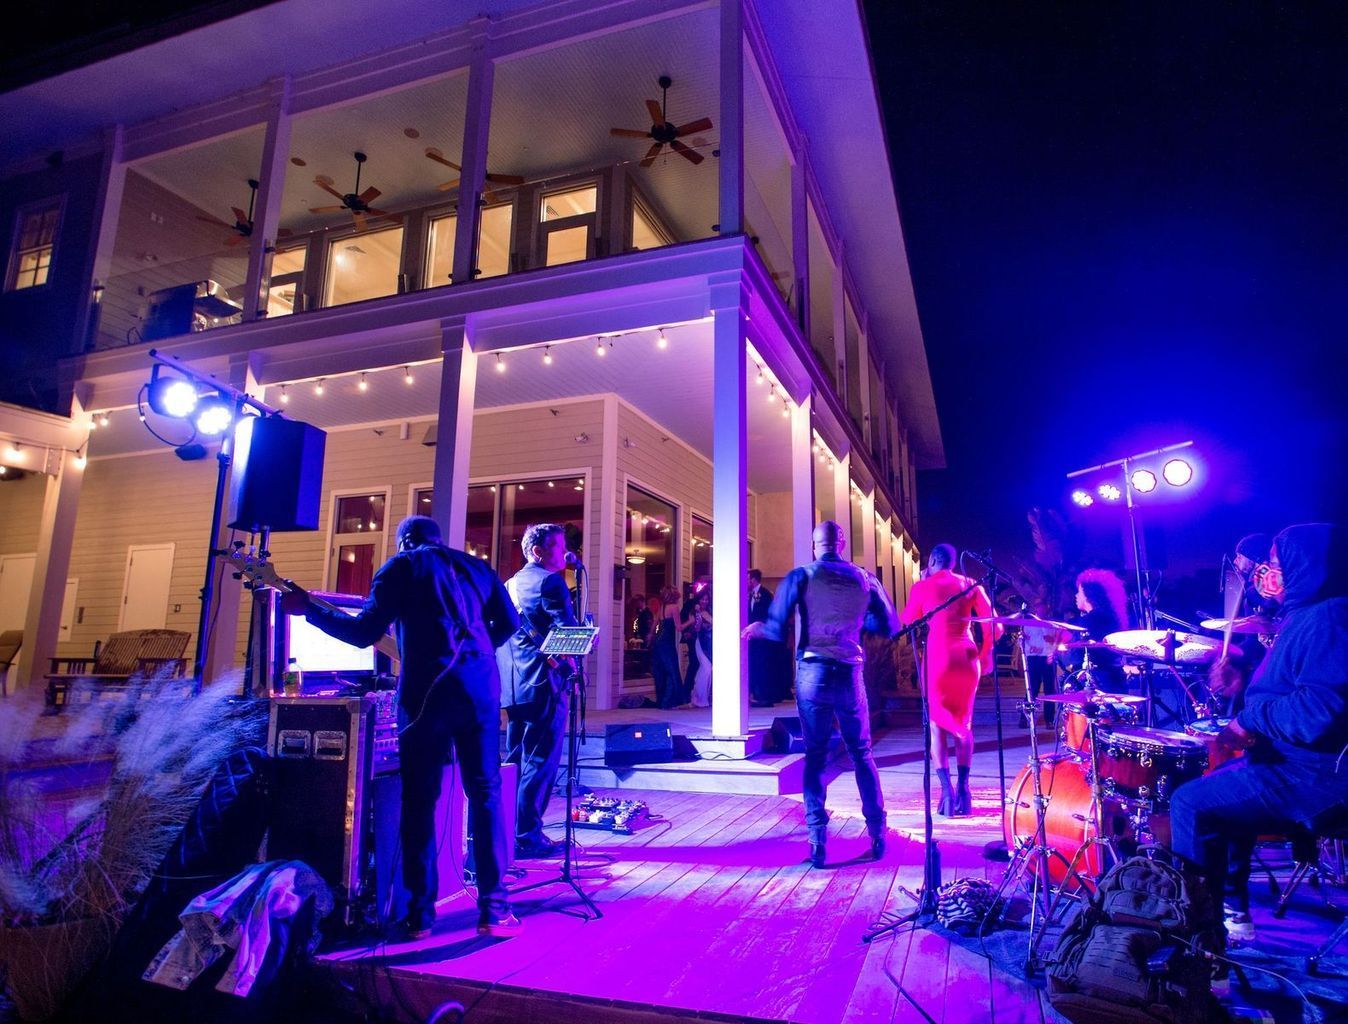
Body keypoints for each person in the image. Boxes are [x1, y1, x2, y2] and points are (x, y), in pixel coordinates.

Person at [281, 515, 521, 939]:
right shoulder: (477, 566)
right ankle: (495, 913)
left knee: (420, 802)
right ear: (439, 538)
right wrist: (476, 650)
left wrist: (310, 612)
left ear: (405, 542)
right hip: (481, 690)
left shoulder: (401, 566)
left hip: (426, 695)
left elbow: (362, 633)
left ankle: (419, 918)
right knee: (485, 796)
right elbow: (510, 623)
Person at [1169, 523, 1348, 948]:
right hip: (1294, 762)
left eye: (1276, 565)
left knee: (1189, 802)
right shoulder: (1307, 615)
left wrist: (1250, 720)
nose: (1268, 574)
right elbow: (1297, 683)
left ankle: (1200, 941)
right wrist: (1246, 678)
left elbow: (1318, 711)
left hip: (1317, 775)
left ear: (1309, 568)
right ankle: (1231, 909)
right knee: (1224, 790)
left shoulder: (1329, 618)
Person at [744, 520, 897, 867]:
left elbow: (774, 626)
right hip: (850, 673)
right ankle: (877, 835)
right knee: (861, 754)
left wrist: (758, 627)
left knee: (814, 755)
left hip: (813, 672)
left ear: (816, 546)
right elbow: (889, 625)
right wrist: (856, 624)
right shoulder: (865, 578)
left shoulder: (801, 575)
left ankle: (817, 843)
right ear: (841, 544)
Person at [496, 523, 579, 859]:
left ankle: (508, 832)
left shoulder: (510, 585)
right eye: (558, 547)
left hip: (514, 688)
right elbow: (566, 633)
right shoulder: (551, 582)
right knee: (541, 762)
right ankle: (528, 836)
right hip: (545, 685)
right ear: (537, 551)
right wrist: (584, 638)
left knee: (515, 760)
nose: (564, 553)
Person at [899, 543, 1000, 816]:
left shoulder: (923, 586)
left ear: (932, 560)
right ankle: (965, 789)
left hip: (939, 657)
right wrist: (986, 653)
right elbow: (996, 624)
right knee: (964, 722)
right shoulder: (970, 584)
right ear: (953, 563)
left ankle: (946, 792)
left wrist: (921, 583)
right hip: (967, 657)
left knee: (936, 725)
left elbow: (908, 621)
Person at [1070, 567, 1130, 693]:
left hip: (1097, 683)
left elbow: (1077, 655)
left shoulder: (1088, 622)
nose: (1076, 595)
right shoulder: (1113, 619)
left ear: (1088, 595)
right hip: (1115, 679)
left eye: (1079, 591)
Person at [747, 569, 777, 706]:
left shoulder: (765, 595)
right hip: (751, 636)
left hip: (762, 635)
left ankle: (764, 695)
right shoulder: (748, 595)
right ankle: (754, 693)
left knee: (762, 663)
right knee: (753, 663)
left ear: (753, 580)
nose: (746, 582)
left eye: (748, 579)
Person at [649, 586, 683, 709]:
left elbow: (654, 625)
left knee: (660, 672)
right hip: (667, 643)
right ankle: (669, 701)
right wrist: (691, 621)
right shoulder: (674, 608)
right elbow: (678, 627)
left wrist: (650, 636)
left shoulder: (662, 608)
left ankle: (662, 701)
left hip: (659, 642)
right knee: (672, 670)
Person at [688, 587, 714, 707]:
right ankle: (699, 698)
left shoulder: (710, 611)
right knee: (707, 668)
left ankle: (698, 695)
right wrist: (698, 614)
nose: (704, 601)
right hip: (701, 642)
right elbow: (696, 628)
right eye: (702, 599)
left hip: (711, 643)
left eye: (706, 599)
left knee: (707, 670)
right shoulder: (694, 612)